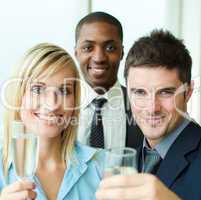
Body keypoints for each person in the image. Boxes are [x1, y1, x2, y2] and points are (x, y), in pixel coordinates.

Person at [96, 30, 201, 200]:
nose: (152, 108)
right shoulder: (129, 161)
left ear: (188, 92)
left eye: (166, 92)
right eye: (140, 92)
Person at [0, 43, 105, 200]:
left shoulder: (102, 165)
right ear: (18, 95)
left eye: (64, 91)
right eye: (37, 89)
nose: (53, 104)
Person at [74, 11, 143, 149]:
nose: (99, 58)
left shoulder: (142, 105)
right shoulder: (59, 106)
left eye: (110, 48)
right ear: (76, 52)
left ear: (122, 53)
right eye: (88, 48)